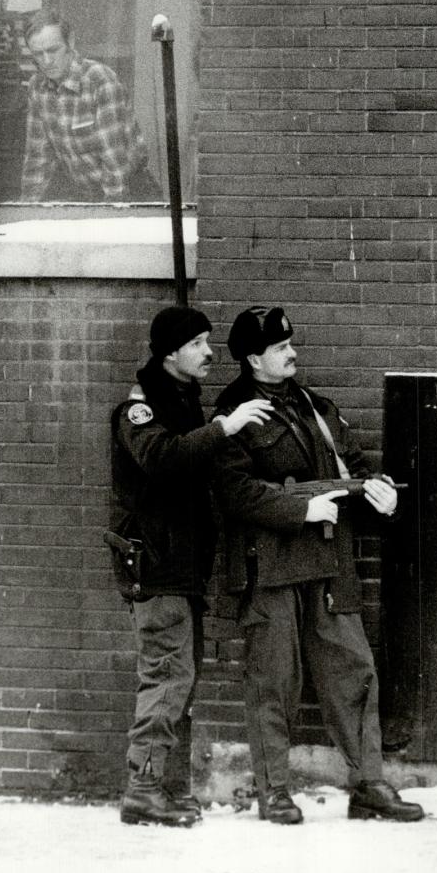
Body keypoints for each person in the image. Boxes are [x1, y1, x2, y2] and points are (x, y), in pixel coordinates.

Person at [212, 306, 425, 825]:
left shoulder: (316, 408)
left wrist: (382, 494)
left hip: (329, 566)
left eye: (291, 345)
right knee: (273, 683)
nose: (293, 354)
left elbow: (355, 463)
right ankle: (275, 792)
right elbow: (233, 493)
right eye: (281, 348)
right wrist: (300, 509)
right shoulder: (234, 416)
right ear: (253, 359)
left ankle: (369, 784)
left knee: (355, 673)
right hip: (270, 569)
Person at [109, 305, 273, 827]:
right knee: (166, 676)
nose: (209, 352)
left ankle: (164, 787)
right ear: (169, 353)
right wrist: (225, 428)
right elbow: (163, 458)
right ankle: (143, 789)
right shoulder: (139, 411)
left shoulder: (181, 403)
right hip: (159, 573)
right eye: (198, 343)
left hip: (182, 571)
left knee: (180, 678)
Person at [20, 7, 160, 202]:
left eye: (53, 50)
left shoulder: (100, 81)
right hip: (86, 196)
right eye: (38, 54)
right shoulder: (37, 87)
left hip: (130, 194)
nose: (47, 61)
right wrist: (27, 211)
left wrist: (109, 220)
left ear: (70, 42)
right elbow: (37, 159)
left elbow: (116, 169)